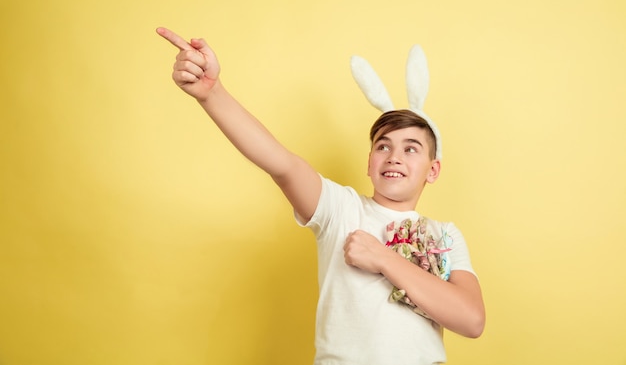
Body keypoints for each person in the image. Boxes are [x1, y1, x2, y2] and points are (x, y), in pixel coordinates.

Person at [156, 27, 485, 365]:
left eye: (411, 148)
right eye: (382, 146)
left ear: (433, 170)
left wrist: (385, 259)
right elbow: (281, 163)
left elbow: (471, 321)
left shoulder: (446, 236)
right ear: (369, 164)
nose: (394, 157)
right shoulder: (339, 209)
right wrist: (212, 94)